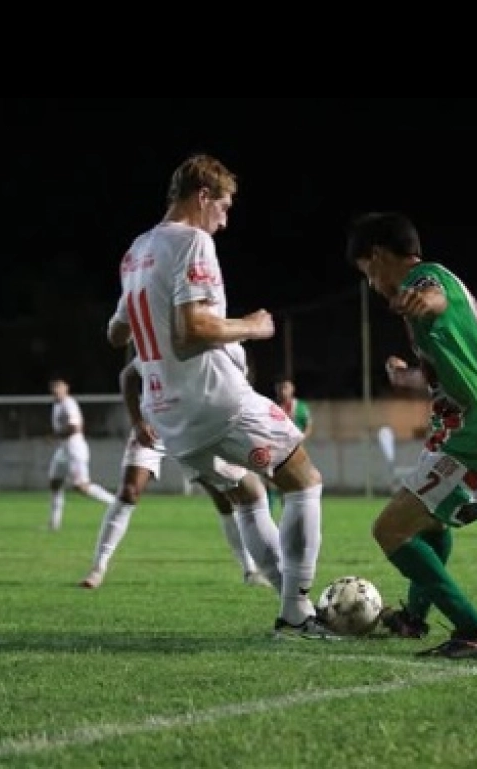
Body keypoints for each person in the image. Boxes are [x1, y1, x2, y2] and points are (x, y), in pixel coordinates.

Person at [107, 152, 338, 640]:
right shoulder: (193, 242)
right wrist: (251, 326)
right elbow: (193, 329)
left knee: (248, 495)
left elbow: (116, 332)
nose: (225, 220)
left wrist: (152, 326)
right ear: (202, 196)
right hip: (215, 398)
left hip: (168, 416)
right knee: (304, 481)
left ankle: (293, 611)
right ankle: (296, 611)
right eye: (224, 206)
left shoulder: (136, 252)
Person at [345, 211, 477, 659]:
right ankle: (413, 618)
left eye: (367, 272)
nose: (371, 284)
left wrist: (424, 300)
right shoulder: (435, 288)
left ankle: (474, 631)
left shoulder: (426, 278)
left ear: (379, 255)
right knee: (432, 524)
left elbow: (434, 295)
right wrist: (406, 376)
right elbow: (447, 368)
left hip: (475, 428)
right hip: (473, 425)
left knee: (389, 530)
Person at [80, 356, 273, 589]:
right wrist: (138, 422)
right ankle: (98, 567)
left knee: (225, 498)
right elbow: (127, 376)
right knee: (129, 491)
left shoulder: (211, 353)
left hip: (194, 429)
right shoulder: (160, 345)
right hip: (154, 426)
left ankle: (250, 570)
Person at [47, 376, 116, 530]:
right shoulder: (57, 405)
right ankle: (54, 524)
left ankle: (115, 503)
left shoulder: (69, 404)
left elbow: (75, 427)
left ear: (66, 388)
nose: (55, 390)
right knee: (55, 482)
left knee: (81, 486)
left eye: (58, 387)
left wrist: (56, 435)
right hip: (63, 450)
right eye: (53, 387)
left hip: (75, 449)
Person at [266, 377, 314, 514]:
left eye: (285, 387)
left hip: (295, 451)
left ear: (292, 389)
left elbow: (308, 425)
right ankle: (269, 515)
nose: (283, 391)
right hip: (275, 450)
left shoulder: (300, 407)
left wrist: (301, 438)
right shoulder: (271, 406)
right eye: (280, 388)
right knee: (270, 484)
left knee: (292, 486)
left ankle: (291, 514)